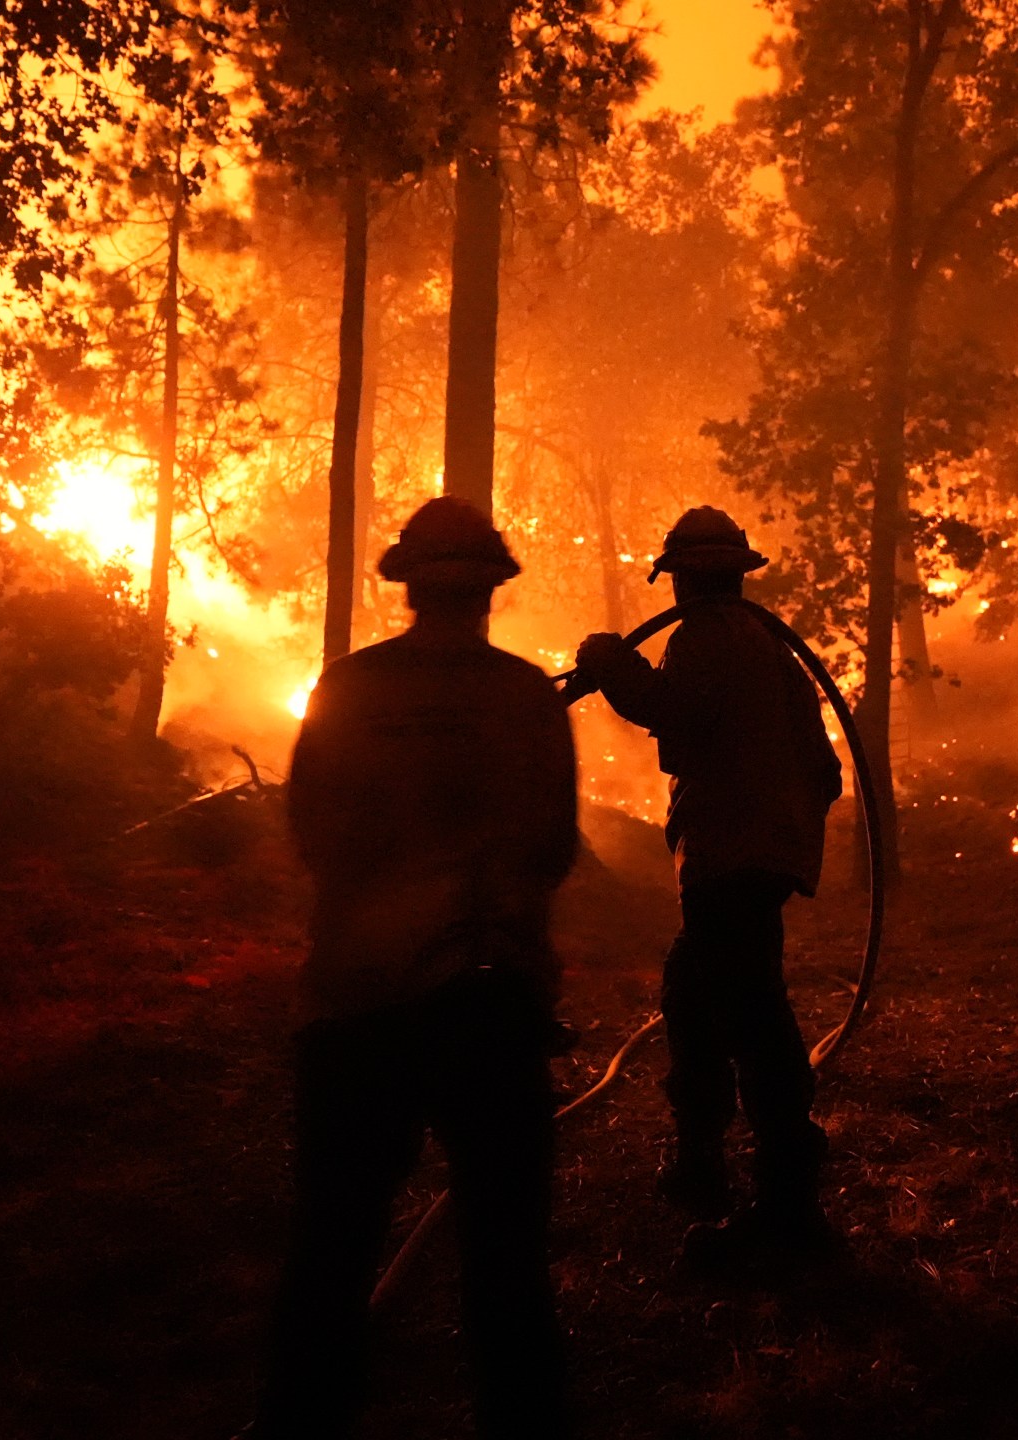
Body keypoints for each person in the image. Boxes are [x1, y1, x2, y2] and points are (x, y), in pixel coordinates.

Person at [253, 497, 577, 1439]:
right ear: (489, 592)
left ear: (408, 588)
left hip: (358, 1001)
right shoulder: (524, 698)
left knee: (332, 1242)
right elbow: (551, 845)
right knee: (506, 1255)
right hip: (488, 1001)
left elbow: (309, 827)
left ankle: (300, 1419)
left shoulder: (348, 690)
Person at [572, 506, 843, 1253]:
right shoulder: (766, 648)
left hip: (730, 857)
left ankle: (789, 1210)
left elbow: (671, 712)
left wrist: (606, 659)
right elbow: (826, 771)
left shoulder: (705, 638)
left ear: (685, 577)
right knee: (693, 998)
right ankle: (701, 1166)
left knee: (751, 1017)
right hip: (758, 854)